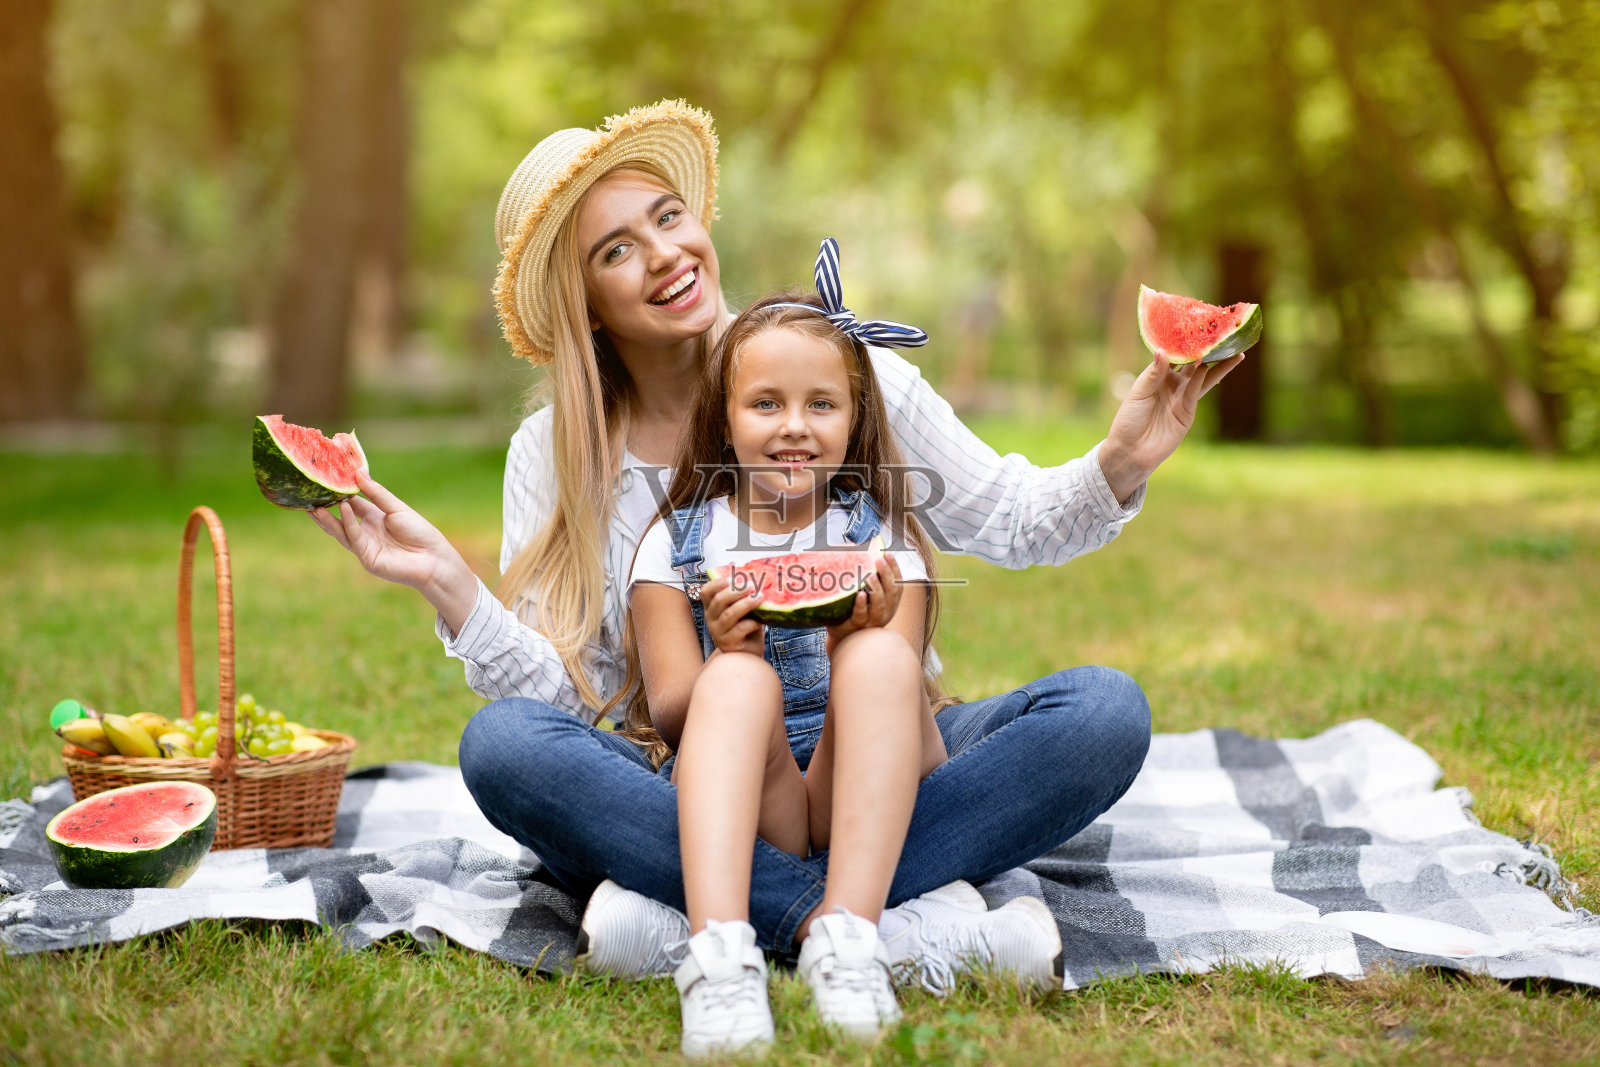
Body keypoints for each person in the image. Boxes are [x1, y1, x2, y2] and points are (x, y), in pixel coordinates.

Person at [310, 100, 1242, 993]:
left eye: (668, 217)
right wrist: (449, 585)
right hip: (690, 763)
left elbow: (1013, 519)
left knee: (1102, 712)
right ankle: (876, 924)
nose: (665, 253)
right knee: (507, 747)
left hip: (879, 741)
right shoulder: (550, 455)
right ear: (584, 301)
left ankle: (713, 917)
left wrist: (1120, 459)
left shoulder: (844, 368)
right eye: (617, 250)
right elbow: (569, 700)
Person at [626, 271, 1067, 1054]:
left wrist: (845, 641)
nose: (794, 426)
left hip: (856, 787)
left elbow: (900, 704)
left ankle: (845, 937)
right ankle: (727, 955)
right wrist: (732, 649)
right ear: (724, 421)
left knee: (1088, 705)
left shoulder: (885, 539)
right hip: (746, 796)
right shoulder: (673, 542)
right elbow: (668, 713)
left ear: (854, 418)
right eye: (766, 403)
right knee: (713, 686)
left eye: (820, 404)